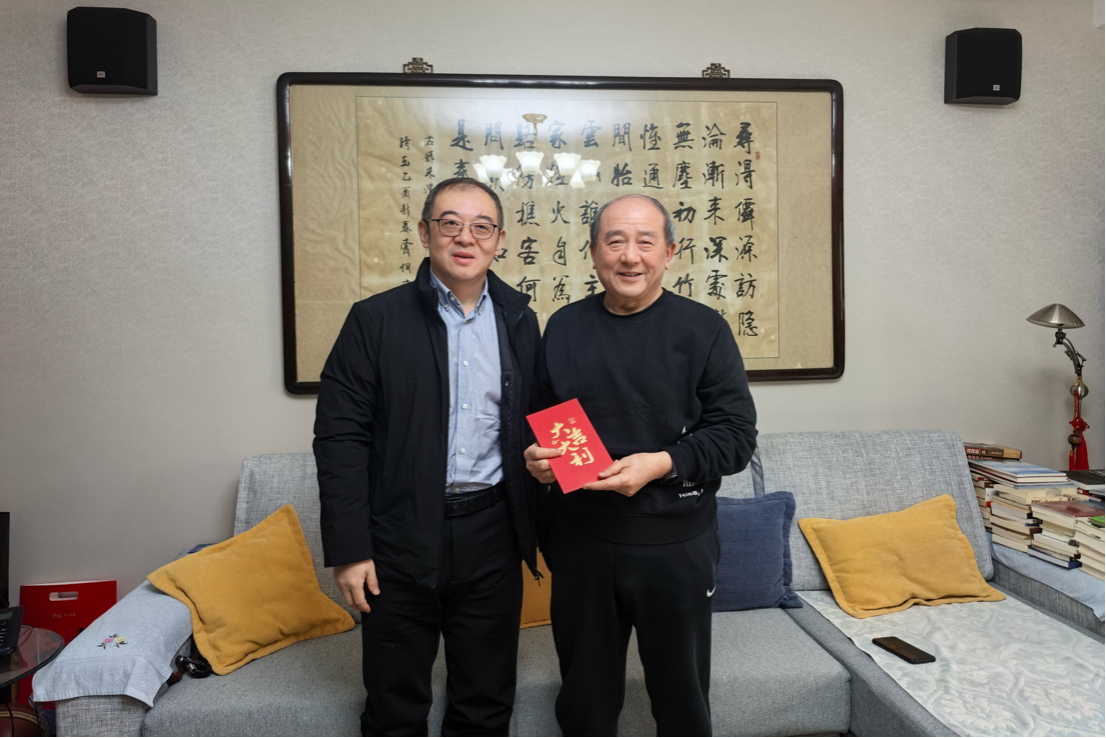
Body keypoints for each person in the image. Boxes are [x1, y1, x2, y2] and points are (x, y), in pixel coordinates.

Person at [314, 177, 541, 737]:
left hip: (492, 533)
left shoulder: (519, 319)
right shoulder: (374, 320)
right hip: (398, 536)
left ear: (500, 240)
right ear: (424, 232)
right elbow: (340, 437)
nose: (466, 238)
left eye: (482, 226)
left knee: (486, 704)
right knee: (394, 706)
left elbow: (537, 417)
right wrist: (350, 549)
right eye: (450, 223)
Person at [525, 194, 758, 737]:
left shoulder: (703, 329)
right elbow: (541, 421)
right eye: (615, 241)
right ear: (593, 252)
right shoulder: (563, 326)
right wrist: (536, 458)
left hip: (675, 542)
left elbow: (736, 438)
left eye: (645, 242)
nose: (630, 256)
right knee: (583, 704)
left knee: (682, 706)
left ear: (669, 253)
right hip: (582, 541)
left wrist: (662, 463)